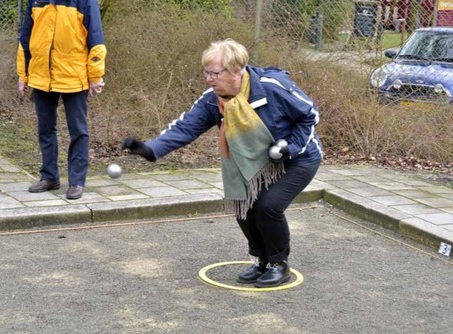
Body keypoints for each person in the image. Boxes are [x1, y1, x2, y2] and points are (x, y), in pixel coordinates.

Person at [122, 39, 323, 288]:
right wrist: (150, 149)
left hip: (299, 158)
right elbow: (185, 128)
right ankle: (262, 259)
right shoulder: (213, 100)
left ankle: (278, 264)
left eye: (215, 73)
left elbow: (310, 115)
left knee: (268, 207)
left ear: (236, 71)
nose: (209, 79)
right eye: (206, 72)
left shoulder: (273, 87)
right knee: (243, 204)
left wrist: (290, 148)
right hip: (256, 162)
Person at [17, 0, 107, 200]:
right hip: (41, 77)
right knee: (45, 129)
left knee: (78, 131)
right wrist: (23, 75)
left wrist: (95, 76)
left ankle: (76, 182)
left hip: (73, 77)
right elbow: (25, 39)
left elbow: (96, 40)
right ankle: (49, 177)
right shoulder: (36, 1)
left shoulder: (85, 1)